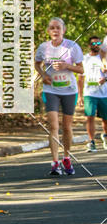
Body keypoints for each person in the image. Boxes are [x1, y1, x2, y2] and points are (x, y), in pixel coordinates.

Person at [34, 18, 83, 176]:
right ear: (48, 31)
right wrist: (43, 75)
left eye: (58, 28)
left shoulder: (72, 47)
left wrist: (66, 66)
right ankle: (55, 163)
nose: (55, 30)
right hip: (51, 90)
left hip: (69, 90)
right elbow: (37, 64)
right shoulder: (43, 47)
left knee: (67, 127)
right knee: (53, 126)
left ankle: (66, 158)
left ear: (64, 30)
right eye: (52, 28)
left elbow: (81, 69)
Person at [79, 35, 107, 152]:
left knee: (105, 119)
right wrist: (80, 96)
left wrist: (105, 79)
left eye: (98, 43)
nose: (96, 45)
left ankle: (105, 136)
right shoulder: (84, 59)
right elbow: (81, 78)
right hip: (89, 93)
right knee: (89, 116)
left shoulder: (104, 57)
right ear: (89, 45)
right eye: (93, 43)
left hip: (104, 93)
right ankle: (91, 141)